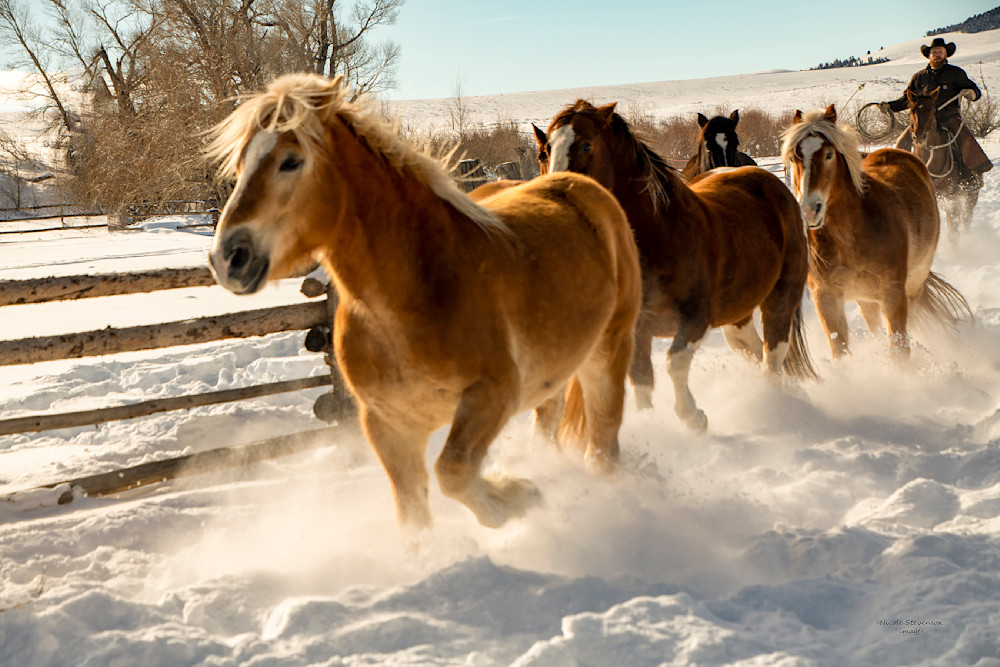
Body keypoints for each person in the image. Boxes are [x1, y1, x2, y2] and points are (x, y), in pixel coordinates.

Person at [880, 37, 993, 179]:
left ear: (946, 55)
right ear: (929, 55)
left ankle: (971, 175)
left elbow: (973, 89)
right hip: (923, 119)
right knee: (901, 144)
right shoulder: (919, 77)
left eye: (940, 52)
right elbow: (906, 100)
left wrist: (972, 93)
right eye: (934, 52)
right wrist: (889, 106)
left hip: (948, 117)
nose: (937, 54)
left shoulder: (955, 73)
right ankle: (896, 176)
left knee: (964, 138)